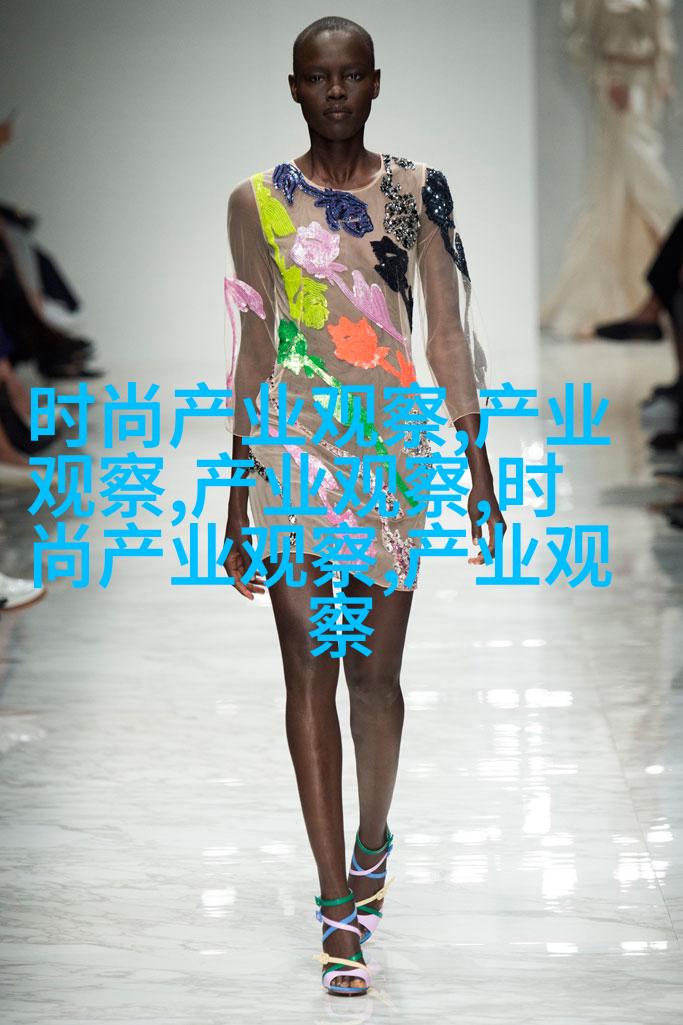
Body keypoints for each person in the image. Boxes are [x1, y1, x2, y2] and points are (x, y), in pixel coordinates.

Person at [222, 16, 506, 997]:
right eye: (317, 77)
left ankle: (373, 831)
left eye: (350, 76)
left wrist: (475, 458)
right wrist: (236, 494)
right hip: (291, 459)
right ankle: (334, 902)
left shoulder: (416, 191)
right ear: (293, 87)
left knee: (373, 677)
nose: (335, 91)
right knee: (308, 672)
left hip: (388, 455)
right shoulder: (255, 201)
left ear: (374, 83)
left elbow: (446, 332)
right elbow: (251, 347)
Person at [540, 0, 680, 338]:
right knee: (632, 186)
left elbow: (659, 32)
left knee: (629, 189)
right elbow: (579, 36)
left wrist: (662, 77)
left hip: (646, 87)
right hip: (618, 88)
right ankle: (645, 300)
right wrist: (605, 78)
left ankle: (649, 304)